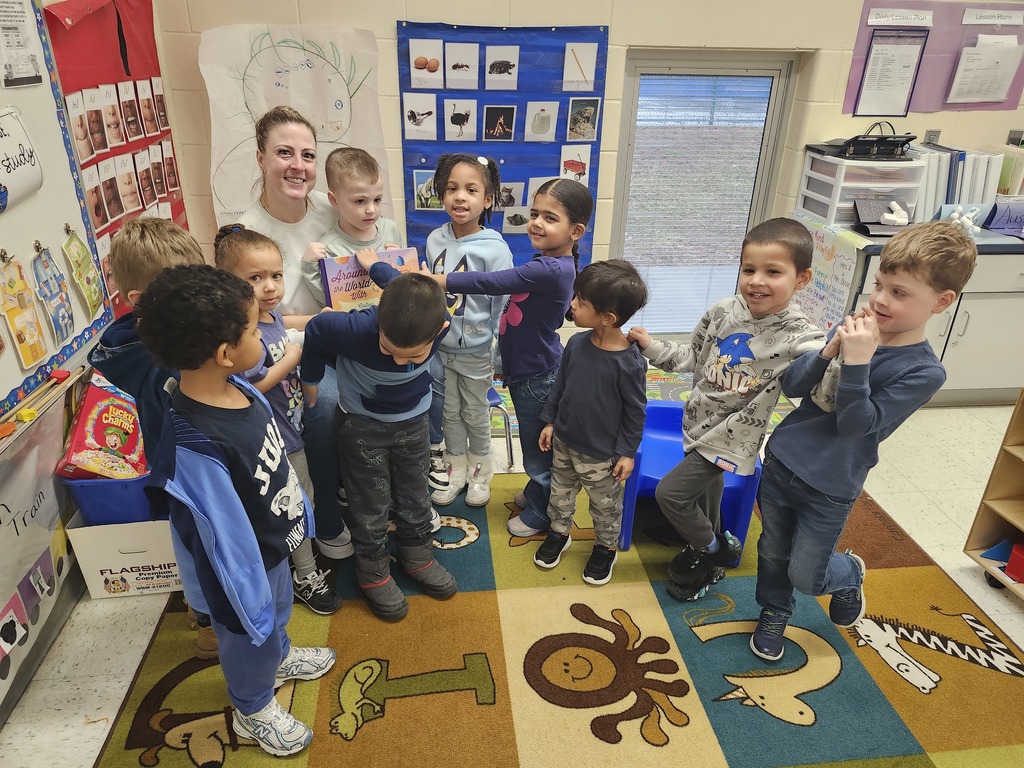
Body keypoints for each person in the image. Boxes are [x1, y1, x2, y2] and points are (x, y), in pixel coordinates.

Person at [749, 221, 977, 662]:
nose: (880, 299)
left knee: (807, 575)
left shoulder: (924, 372)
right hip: (782, 463)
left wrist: (857, 363)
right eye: (880, 285)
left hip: (831, 486)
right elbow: (794, 388)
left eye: (900, 292)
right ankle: (774, 610)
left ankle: (849, 572)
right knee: (772, 553)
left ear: (942, 302)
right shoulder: (853, 328)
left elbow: (858, 425)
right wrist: (830, 349)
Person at [135, 264, 335, 757]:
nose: (263, 335)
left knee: (278, 617)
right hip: (240, 570)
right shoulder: (195, 443)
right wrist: (242, 601)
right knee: (250, 635)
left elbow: (271, 464)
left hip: (272, 544)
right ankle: (252, 706)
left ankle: (281, 656)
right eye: (253, 329)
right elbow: (220, 535)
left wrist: (298, 518)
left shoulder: (240, 390)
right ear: (226, 354)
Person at [628, 217, 825, 602]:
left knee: (672, 494)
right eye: (749, 269)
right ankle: (711, 550)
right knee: (708, 496)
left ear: (802, 279)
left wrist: (841, 354)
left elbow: (820, 385)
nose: (756, 281)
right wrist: (651, 346)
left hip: (733, 438)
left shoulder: (802, 335)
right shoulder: (723, 311)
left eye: (773, 272)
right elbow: (690, 358)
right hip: (696, 422)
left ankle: (714, 548)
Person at [425, 178, 591, 536]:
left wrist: (440, 281)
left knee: (538, 448)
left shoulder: (550, 269)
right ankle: (537, 493)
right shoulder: (546, 261)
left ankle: (545, 510)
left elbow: (494, 282)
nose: (536, 223)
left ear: (575, 231)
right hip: (525, 371)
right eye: (534, 214)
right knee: (534, 441)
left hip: (538, 375)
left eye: (550, 217)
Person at [300, 265, 456, 622]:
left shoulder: (441, 319)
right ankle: (372, 571)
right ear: (379, 325)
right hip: (362, 428)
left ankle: (417, 556)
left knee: (415, 491)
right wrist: (311, 379)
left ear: (440, 331)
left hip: (414, 424)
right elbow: (317, 329)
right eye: (390, 349)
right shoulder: (355, 329)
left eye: (413, 355)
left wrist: (382, 270)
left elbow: (410, 288)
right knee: (370, 499)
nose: (400, 361)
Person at [87, 219, 210, 657]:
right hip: (182, 473)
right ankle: (208, 622)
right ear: (141, 301)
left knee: (194, 542)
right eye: (184, 292)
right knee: (198, 545)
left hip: (176, 470)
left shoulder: (132, 339)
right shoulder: (159, 361)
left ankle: (202, 610)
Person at [238, 106, 352, 560]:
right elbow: (251, 322)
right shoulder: (246, 233)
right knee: (322, 406)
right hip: (289, 350)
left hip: (344, 332)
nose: (297, 166)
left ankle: (359, 489)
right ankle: (324, 517)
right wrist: (319, 323)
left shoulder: (332, 207)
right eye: (284, 153)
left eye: (307, 154)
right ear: (261, 158)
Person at [214, 224, 342, 615]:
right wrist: (294, 358)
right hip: (274, 441)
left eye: (275, 275)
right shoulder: (239, 332)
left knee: (303, 500)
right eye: (255, 278)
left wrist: (317, 318)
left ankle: (298, 558)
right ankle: (304, 575)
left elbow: (284, 323)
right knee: (294, 504)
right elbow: (258, 380)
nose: (269, 287)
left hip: (292, 428)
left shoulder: (266, 317)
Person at [535, 260, 649, 585]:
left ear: (607, 318)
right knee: (559, 494)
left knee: (605, 507)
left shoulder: (629, 364)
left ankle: (605, 548)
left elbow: (635, 412)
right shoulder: (576, 343)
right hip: (565, 442)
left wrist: (627, 452)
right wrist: (550, 421)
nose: (572, 304)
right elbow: (561, 385)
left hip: (603, 454)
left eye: (581, 302)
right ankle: (559, 533)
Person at [425, 154, 513, 508]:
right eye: (452, 189)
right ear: (442, 195)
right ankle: (455, 470)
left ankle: (480, 473)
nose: (460, 197)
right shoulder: (434, 239)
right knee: (448, 413)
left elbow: (502, 308)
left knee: (474, 413)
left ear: (488, 199)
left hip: (477, 350)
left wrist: (496, 355)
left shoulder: (495, 249)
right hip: (440, 347)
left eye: (471, 190)